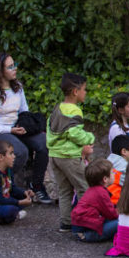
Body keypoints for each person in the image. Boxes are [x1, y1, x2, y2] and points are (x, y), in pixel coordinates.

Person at [0, 52, 51, 204]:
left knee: (43, 142)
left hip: (14, 129)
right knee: (20, 151)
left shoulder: (18, 88)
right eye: (10, 66)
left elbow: (24, 110)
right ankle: (5, 186)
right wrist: (10, 130)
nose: (15, 69)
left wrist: (24, 125)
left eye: (14, 65)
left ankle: (36, 185)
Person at [46, 73, 95, 232]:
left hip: (55, 155)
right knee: (84, 187)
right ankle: (83, 223)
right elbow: (75, 133)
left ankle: (66, 223)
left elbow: (51, 129)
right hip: (69, 157)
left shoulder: (57, 108)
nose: (85, 93)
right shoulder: (74, 111)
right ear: (75, 91)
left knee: (64, 189)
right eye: (84, 89)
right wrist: (89, 137)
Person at [71, 159, 119, 242]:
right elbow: (112, 214)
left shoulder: (93, 190)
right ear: (105, 179)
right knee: (121, 222)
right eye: (112, 172)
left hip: (80, 228)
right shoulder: (101, 193)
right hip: (85, 233)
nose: (114, 174)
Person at [107, 135, 129, 205]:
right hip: (115, 204)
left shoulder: (108, 160)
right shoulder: (125, 168)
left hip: (105, 202)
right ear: (124, 151)